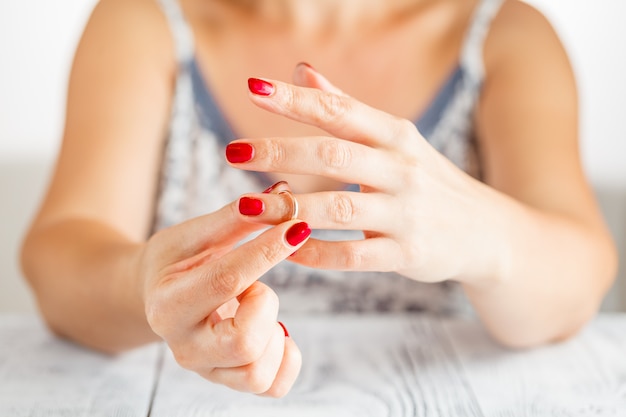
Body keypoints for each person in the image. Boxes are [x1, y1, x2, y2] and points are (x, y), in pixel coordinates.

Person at [20, 0, 617, 398]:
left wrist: (486, 235)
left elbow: (579, 278)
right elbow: (60, 260)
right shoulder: (143, 20)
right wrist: (145, 282)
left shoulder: (505, 35)